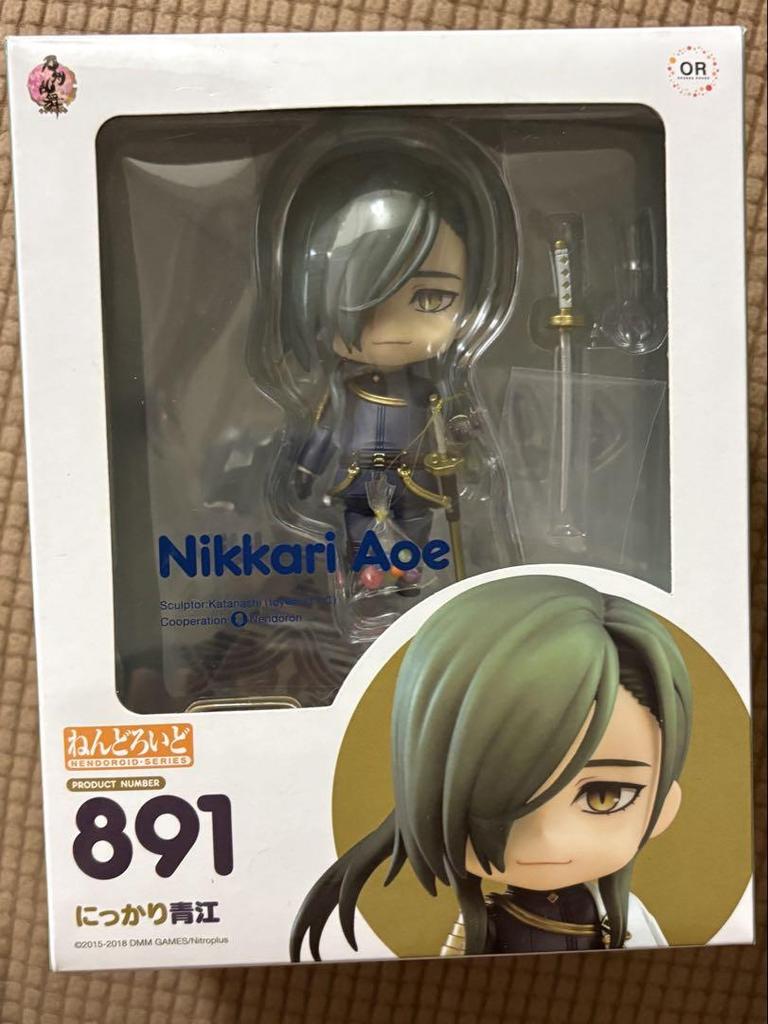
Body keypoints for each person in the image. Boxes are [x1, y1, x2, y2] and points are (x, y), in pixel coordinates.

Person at [289, 574, 692, 959]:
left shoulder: (627, 920)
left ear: (664, 805)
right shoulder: (481, 924)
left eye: (604, 796)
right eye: (493, 796)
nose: (548, 837)